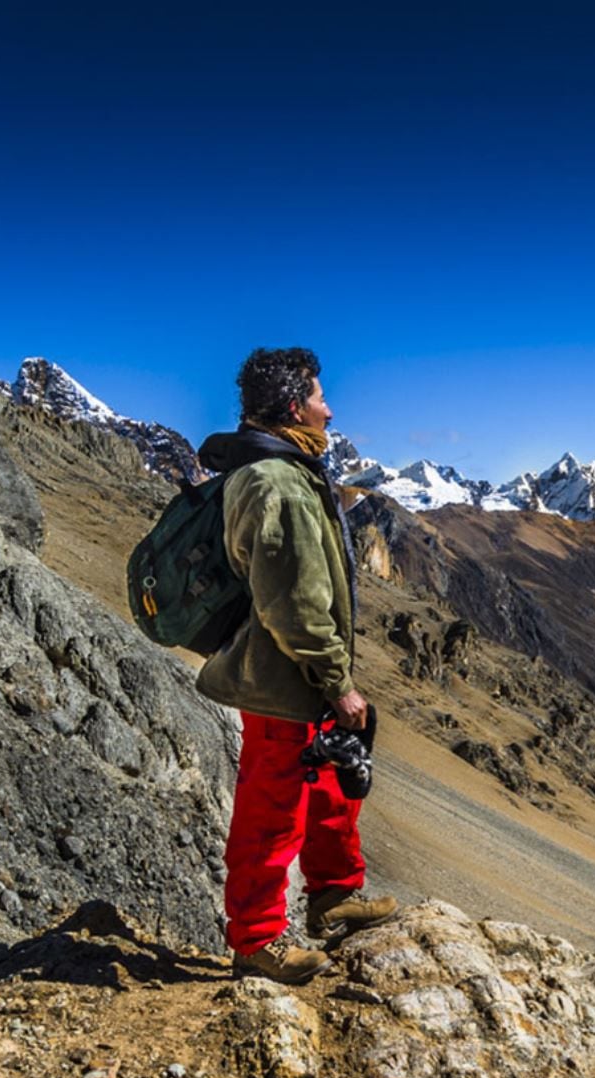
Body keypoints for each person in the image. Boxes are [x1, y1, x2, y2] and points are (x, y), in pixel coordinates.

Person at [195, 347, 396, 983]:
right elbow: (294, 603)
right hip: (285, 679)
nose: (329, 409)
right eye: (318, 396)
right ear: (292, 407)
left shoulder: (282, 471)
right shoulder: (275, 483)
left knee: (329, 778)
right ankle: (256, 942)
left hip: (296, 679)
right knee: (272, 809)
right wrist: (337, 682)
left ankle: (336, 894)